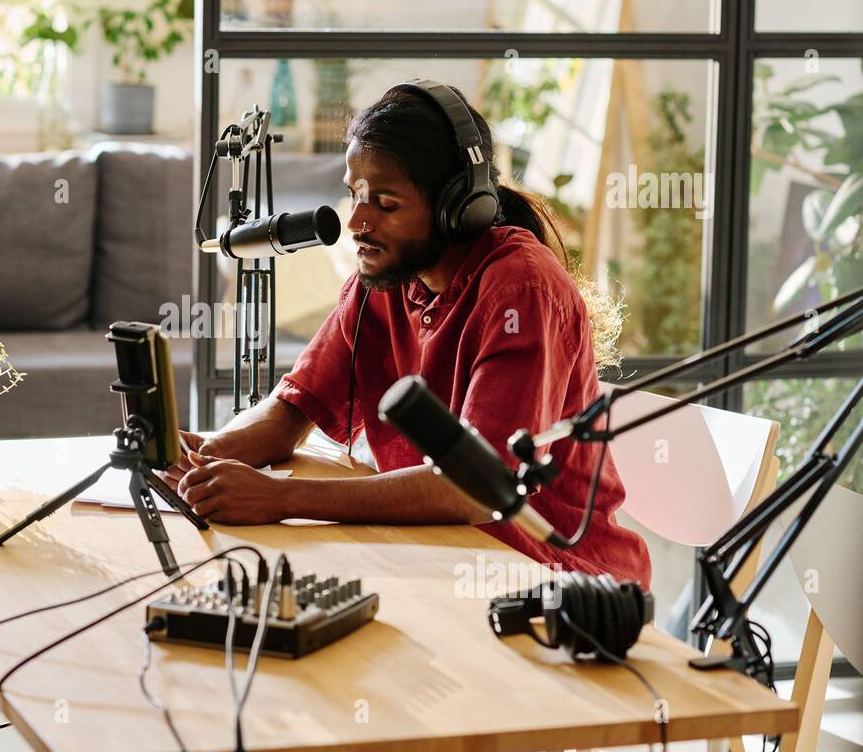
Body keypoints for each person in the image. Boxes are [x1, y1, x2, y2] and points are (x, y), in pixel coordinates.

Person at [162, 80, 651, 587]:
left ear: (456, 205)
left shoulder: (521, 290)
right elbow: (293, 409)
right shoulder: (385, 280)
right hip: (438, 556)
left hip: (554, 580)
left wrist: (280, 498)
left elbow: (476, 490)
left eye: (386, 205)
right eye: (355, 195)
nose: (356, 222)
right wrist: (205, 456)